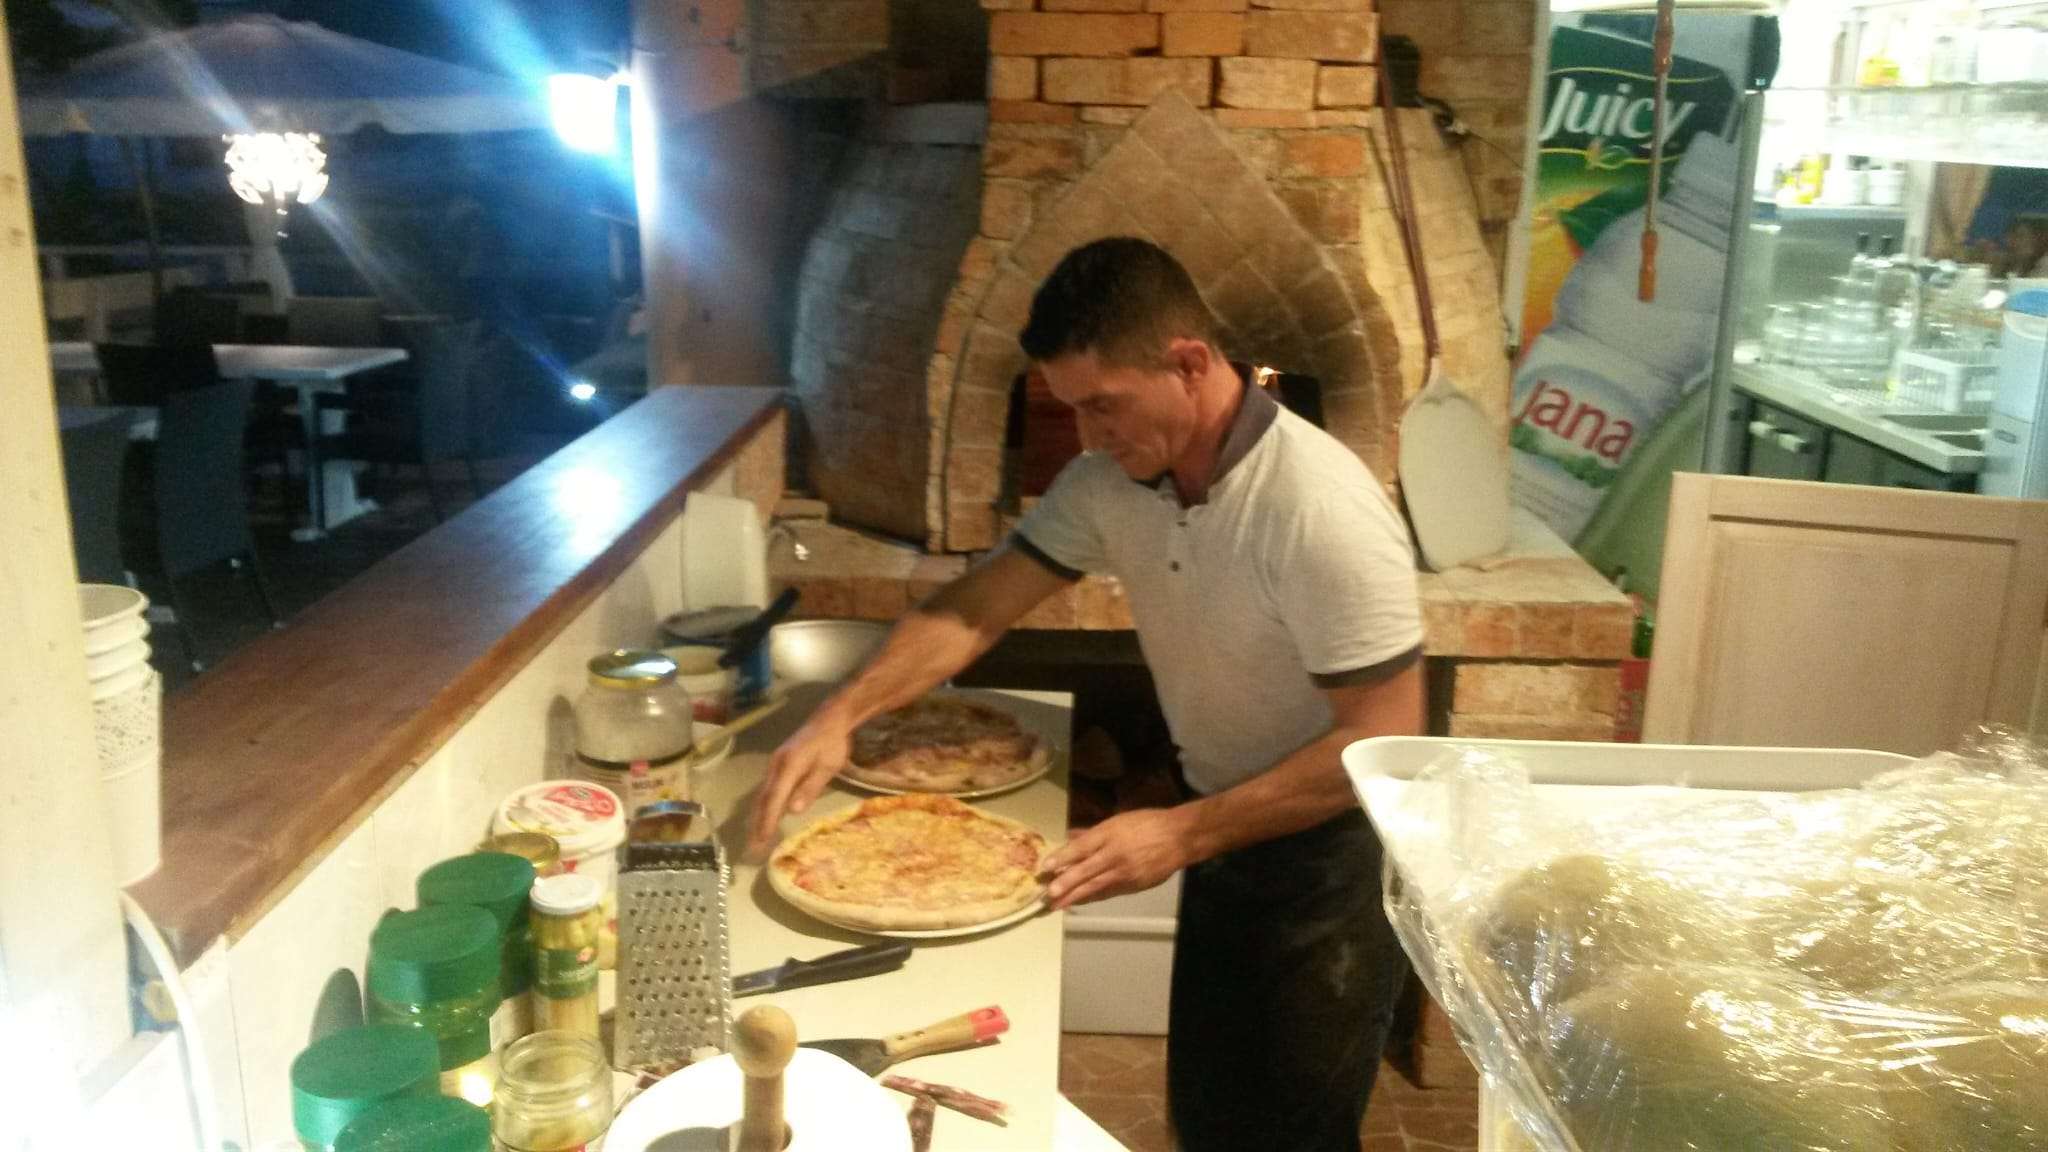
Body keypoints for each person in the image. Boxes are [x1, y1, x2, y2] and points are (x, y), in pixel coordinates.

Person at [749, 236, 1425, 1151]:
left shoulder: (1319, 507)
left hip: (1327, 858)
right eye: (1071, 409)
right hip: (1222, 821)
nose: (1089, 436)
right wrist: (840, 717)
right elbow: (976, 607)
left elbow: (1377, 746)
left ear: (1190, 363)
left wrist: (1181, 833)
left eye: (1104, 405)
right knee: (1213, 1110)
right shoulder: (1112, 481)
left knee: (1293, 1130)